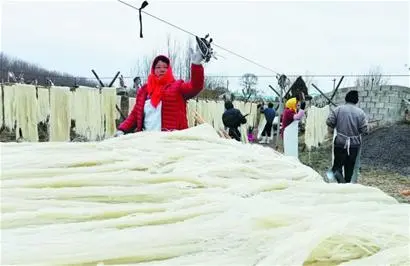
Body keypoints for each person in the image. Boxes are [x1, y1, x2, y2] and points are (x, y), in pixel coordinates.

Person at [114, 46, 204, 136]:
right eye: (158, 67)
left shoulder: (178, 87)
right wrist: (122, 129)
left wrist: (196, 65)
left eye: (165, 67)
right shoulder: (144, 91)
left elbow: (195, 86)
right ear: (153, 70)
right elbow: (134, 115)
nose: (162, 69)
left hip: (174, 141)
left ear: (169, 70)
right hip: (148, 141)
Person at [326, 90, 368, 183]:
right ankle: (346, 184)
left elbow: (329, 122)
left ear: (346, 98)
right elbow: (364, 130)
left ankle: (341, 183)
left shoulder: (338, 109)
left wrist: (337, 125)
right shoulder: (361, 113)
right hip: (354, 146)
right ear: (356, 100)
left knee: (336, 168)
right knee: (349, 168)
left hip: (340, 144)